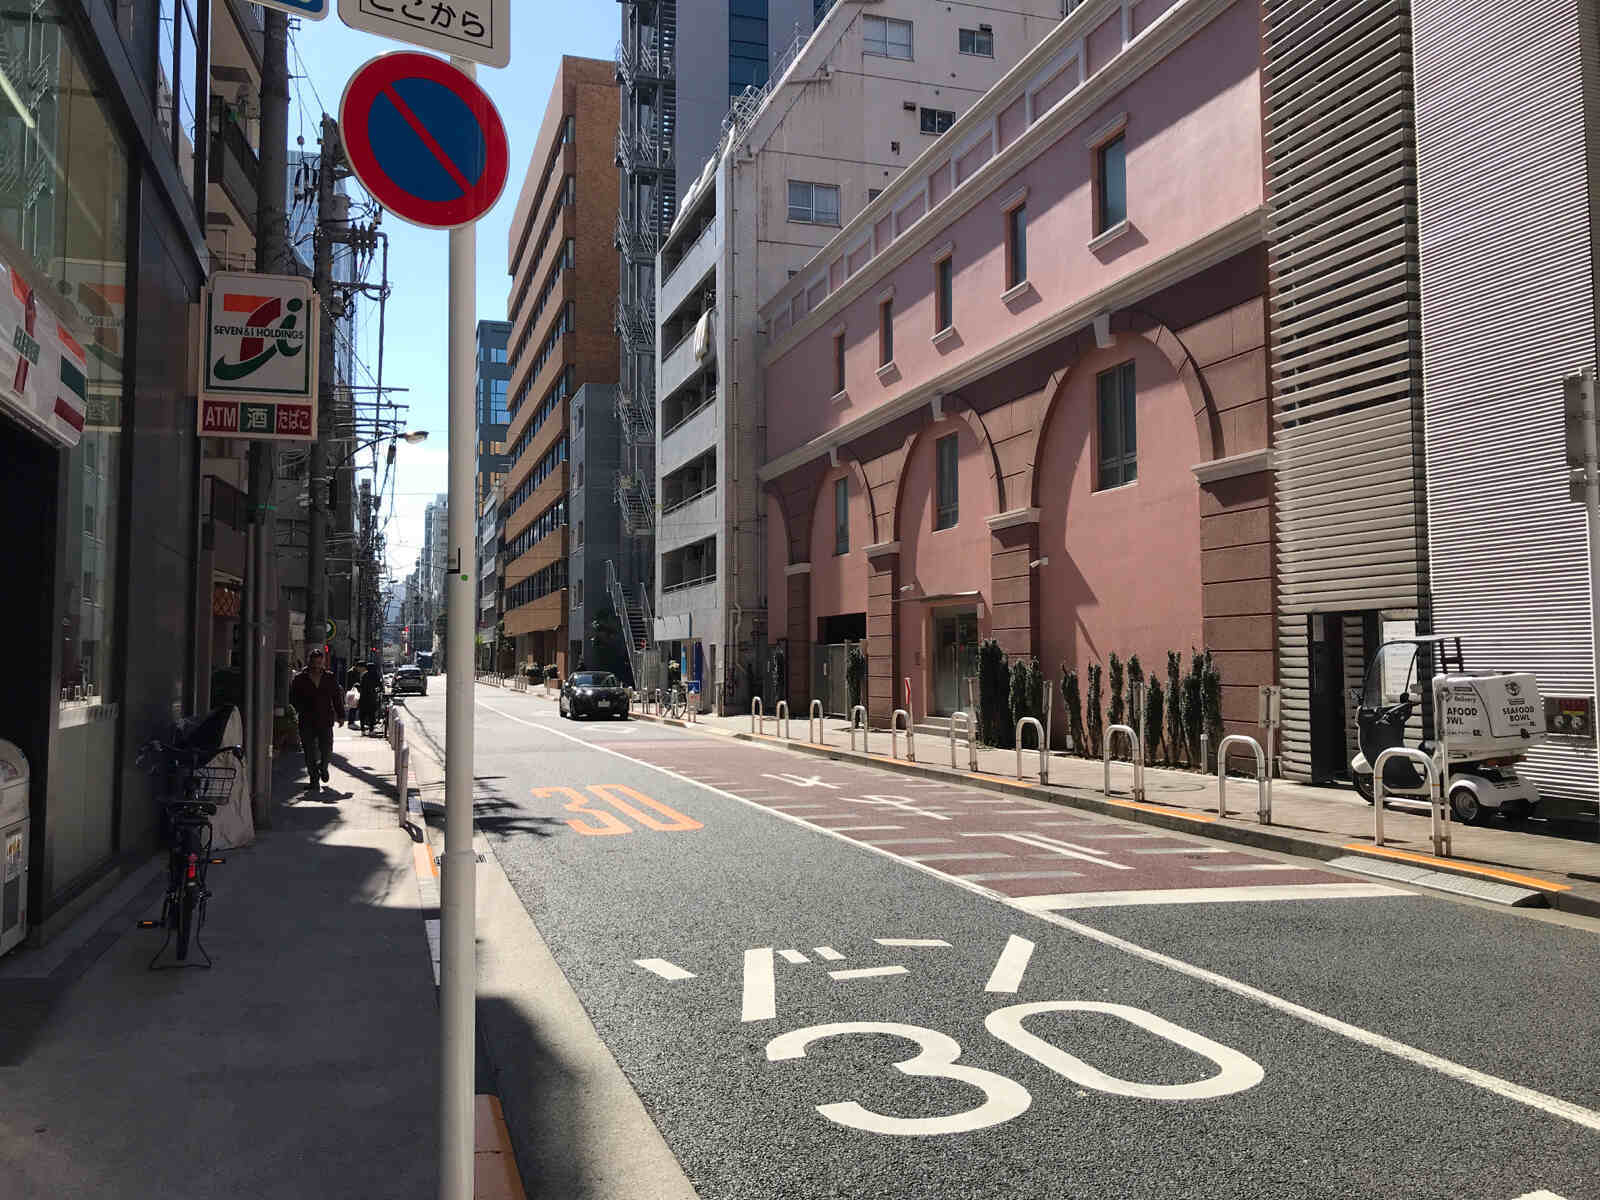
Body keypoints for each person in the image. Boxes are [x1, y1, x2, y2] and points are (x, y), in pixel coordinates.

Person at [290, 648, 344, 795]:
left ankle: (324, 767)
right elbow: (293, 698)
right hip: (306, 720)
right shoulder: (300, 679)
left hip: (325, 719)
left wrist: (341, 715)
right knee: (309, 752)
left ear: (323, 662)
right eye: (314, 662)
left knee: (327, 748)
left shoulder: (329, 677)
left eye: (319, 662)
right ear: (309, 662)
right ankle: (314, 780)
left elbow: (336, 697)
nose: (317, 665)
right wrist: (300, 709)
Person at [358, 661, 383, 735]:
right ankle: (371, 730)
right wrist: (376, 691)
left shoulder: (364, 675)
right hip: (372, 698)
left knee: (362, 714)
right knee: (371, 715)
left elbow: (361, 686)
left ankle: (362, 730)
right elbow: (380, 686)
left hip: (363, 697)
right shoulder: (376, 675)